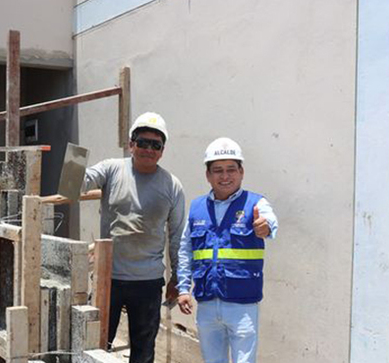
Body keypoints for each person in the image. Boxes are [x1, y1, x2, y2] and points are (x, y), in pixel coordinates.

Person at [83, 112, 186, 363]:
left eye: (155, 145)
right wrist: (72, 158)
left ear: (162, 150)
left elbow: (177, 237)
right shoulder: (111, 169)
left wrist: (177, 279)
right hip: (109, 279)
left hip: (148, 281)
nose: (148, 149)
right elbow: (75, 184)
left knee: (143, 352)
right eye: (142, 142)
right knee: (95, 346)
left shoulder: (172, 186)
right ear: (131, 144)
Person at [176, 137, 278, 363]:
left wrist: (266, 226)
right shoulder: (196, 208)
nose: (225, 176)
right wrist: (183, 289)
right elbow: (185, 250)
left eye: (231, 169)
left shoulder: (256, 203)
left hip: (242, 305)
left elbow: (270, 221)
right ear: (208, 175)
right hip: (207, 304)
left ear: (241, 172)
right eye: (218, 170)